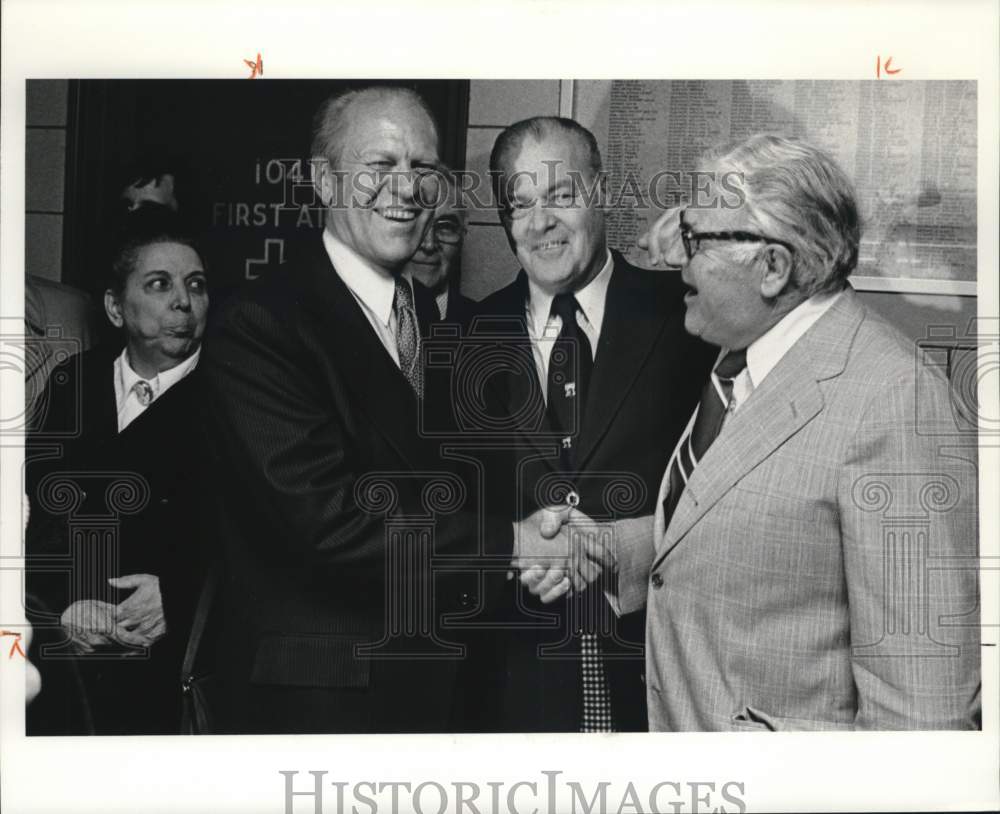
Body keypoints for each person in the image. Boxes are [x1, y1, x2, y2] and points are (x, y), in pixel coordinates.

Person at [523, 134, 981, 731]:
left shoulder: (895, 402)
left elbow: (924, 710)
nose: (675, 261)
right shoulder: (741, 360)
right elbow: (765, 537)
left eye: (697, 241)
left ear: (772, 267)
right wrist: (614, 549)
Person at [199, 86, 572, 734]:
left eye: (423, 169)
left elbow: (456, 482)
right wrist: (510, 543)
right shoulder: (260, 326)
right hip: (323, 708)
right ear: (322, 178)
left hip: (447, 696)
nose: (406, 188)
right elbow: (330, 520)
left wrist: (561, 523)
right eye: (380, 165)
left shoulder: (428, 318)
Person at [476, 116, 714, 732]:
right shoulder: (462, 337)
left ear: (601, 192)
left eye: (561, 196)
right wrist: (509, 547)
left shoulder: (686, 318)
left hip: (662, 671)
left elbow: (729, 480)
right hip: (514, 684)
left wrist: (631, 541)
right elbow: (441, 492)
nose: (540, 222)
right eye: (520, 203)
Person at [25, 206, 212, 734]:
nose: (183, 301)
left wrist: (174, 596)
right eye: (159, 284)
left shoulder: (233, 395)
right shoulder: (76, 382)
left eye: (196, 285)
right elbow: (36, 511)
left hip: (169, 676)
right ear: (114, 307)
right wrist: (61, 608)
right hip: (70, 670)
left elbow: (251, 536)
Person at [402, 169, 474, 322]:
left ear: (462, 234)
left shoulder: (485, 328)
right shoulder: (353, 319)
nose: (429, 245)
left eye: (445, 227)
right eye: (414, 224)